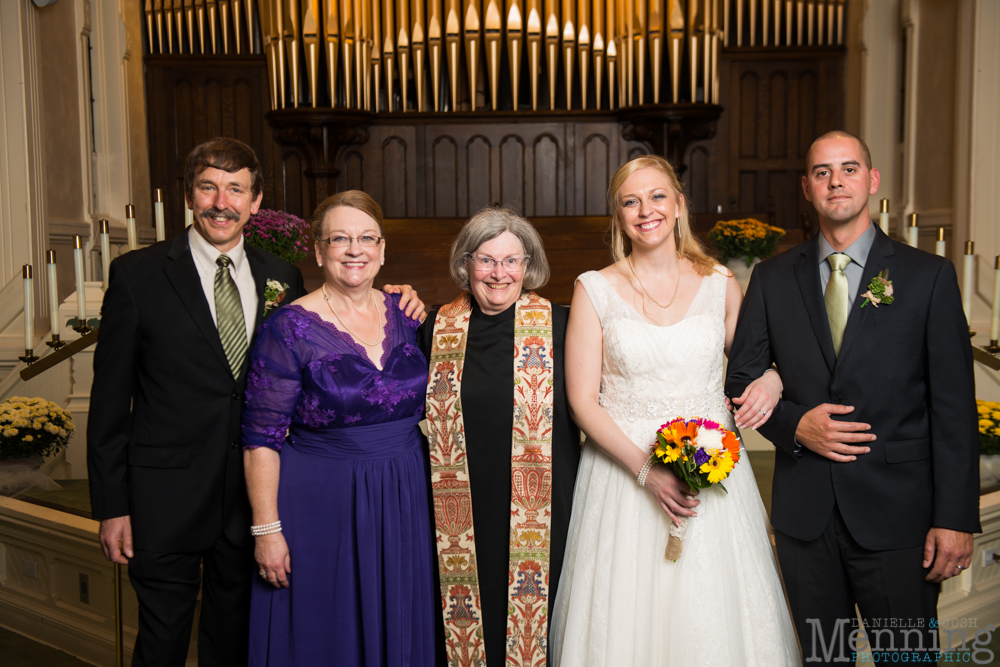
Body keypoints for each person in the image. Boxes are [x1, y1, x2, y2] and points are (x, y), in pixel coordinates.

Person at [726, 131, 979, 663]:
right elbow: (739, 381)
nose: (835, 180)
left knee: (905, 659)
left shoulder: (927, 276)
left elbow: (953, 408)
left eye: (848, 168)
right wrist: (794, 425)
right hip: (805, 522)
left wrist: (955, 517)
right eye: (822, 172)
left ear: (871, 179)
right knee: (822, 660)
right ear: (807, 187)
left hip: (900, 520)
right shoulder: (772, 278)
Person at [550, 155, 800, 665]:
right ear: (618, 216)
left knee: (714, 617)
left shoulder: (720, 284)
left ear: (681, 204)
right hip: (623, 479)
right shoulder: (593, 289)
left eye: (658, 196)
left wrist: (774, 377)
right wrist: (648, 472)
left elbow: (756, 366)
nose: (647, 210)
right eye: (631, 201)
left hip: (712, 477)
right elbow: (581, 401)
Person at [87, 138, 307, 666]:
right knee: (161, 642)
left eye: (236, 189)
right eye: (209, 187)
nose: (221, 202)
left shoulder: (284, 278)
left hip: (249, 502)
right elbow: (110, 401)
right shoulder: (138, 275)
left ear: (256, 202)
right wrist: (112, 506)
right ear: (190, 195)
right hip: (163, 499)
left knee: (234, 644)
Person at [241, 190, 436, 666]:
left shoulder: (406, 315)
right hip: (323, 498)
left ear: (383, 249)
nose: (355, 249)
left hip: (405, 491)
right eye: (340, 239)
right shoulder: (287, 328)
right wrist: (267, 528)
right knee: (329, 631)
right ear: (318, 249)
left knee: (402, 616)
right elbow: (260, 438)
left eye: (367, 238)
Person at [416, 207, 580, 667]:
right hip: (460, 504)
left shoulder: (563, 325)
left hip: (543, 502)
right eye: (486, 260)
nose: (499, 273)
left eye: (512, 260)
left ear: (529, 265)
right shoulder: (436, 328)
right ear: (465, 263)